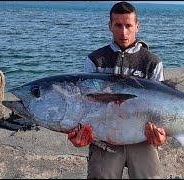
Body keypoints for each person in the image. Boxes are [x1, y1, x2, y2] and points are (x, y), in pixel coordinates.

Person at [68, 1, 167, 179]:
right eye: (118, 25)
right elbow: (84, 105)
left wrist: (161, 135)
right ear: (110, 26)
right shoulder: (95, 60)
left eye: (128, 25)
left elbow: (162, 107)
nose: (123, 32)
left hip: (142, 136)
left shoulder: (152, 62)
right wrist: (79, 133)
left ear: (137, 26)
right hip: (104, 138)